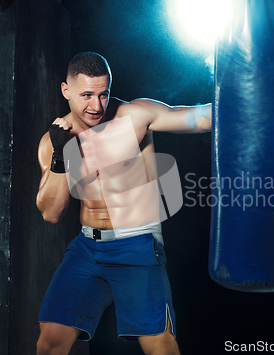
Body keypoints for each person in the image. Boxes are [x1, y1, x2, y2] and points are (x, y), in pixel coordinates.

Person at [35, 52, 211, 355]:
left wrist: (252, 91)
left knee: (160, 345)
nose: (96, 106)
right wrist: (61, 158)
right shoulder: (54, 141)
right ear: (66, 91)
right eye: (86, 95)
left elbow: (199, 119)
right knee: (49, 343)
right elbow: (51, 213)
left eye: (103, 94)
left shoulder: (134, 117)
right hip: (87, 247)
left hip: (137, 242)